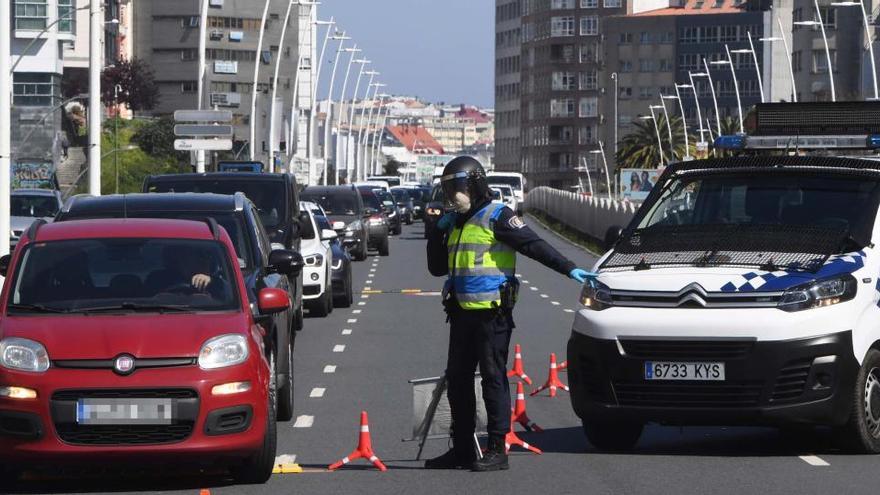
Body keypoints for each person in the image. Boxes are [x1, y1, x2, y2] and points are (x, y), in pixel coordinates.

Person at [425, 156, 596, 472]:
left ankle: (496, 449)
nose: (453, 196)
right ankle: (462, 448)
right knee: (458, 381)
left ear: (474, 185)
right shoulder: (457, 222)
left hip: (492, 315)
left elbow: (534, 245)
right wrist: (436, 231)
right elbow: (437, 268)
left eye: (458, 188)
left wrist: (569, 268)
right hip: (461, 314)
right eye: (448, 190)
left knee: (493, 379)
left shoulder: (496, 216)